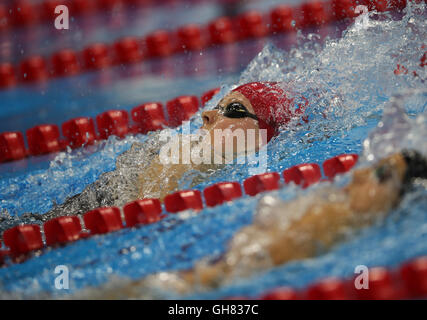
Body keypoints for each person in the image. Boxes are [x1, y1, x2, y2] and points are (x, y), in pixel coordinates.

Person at [79, 149, 427, 299]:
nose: (362, 171)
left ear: (403, 199)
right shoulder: (340, 212)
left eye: (382, 174)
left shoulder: (342, 221)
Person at [20, 82, 303, 224]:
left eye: (233, 110)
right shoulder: (186, 156)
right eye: (217, 106)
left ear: (261, 137)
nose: (206, 114)